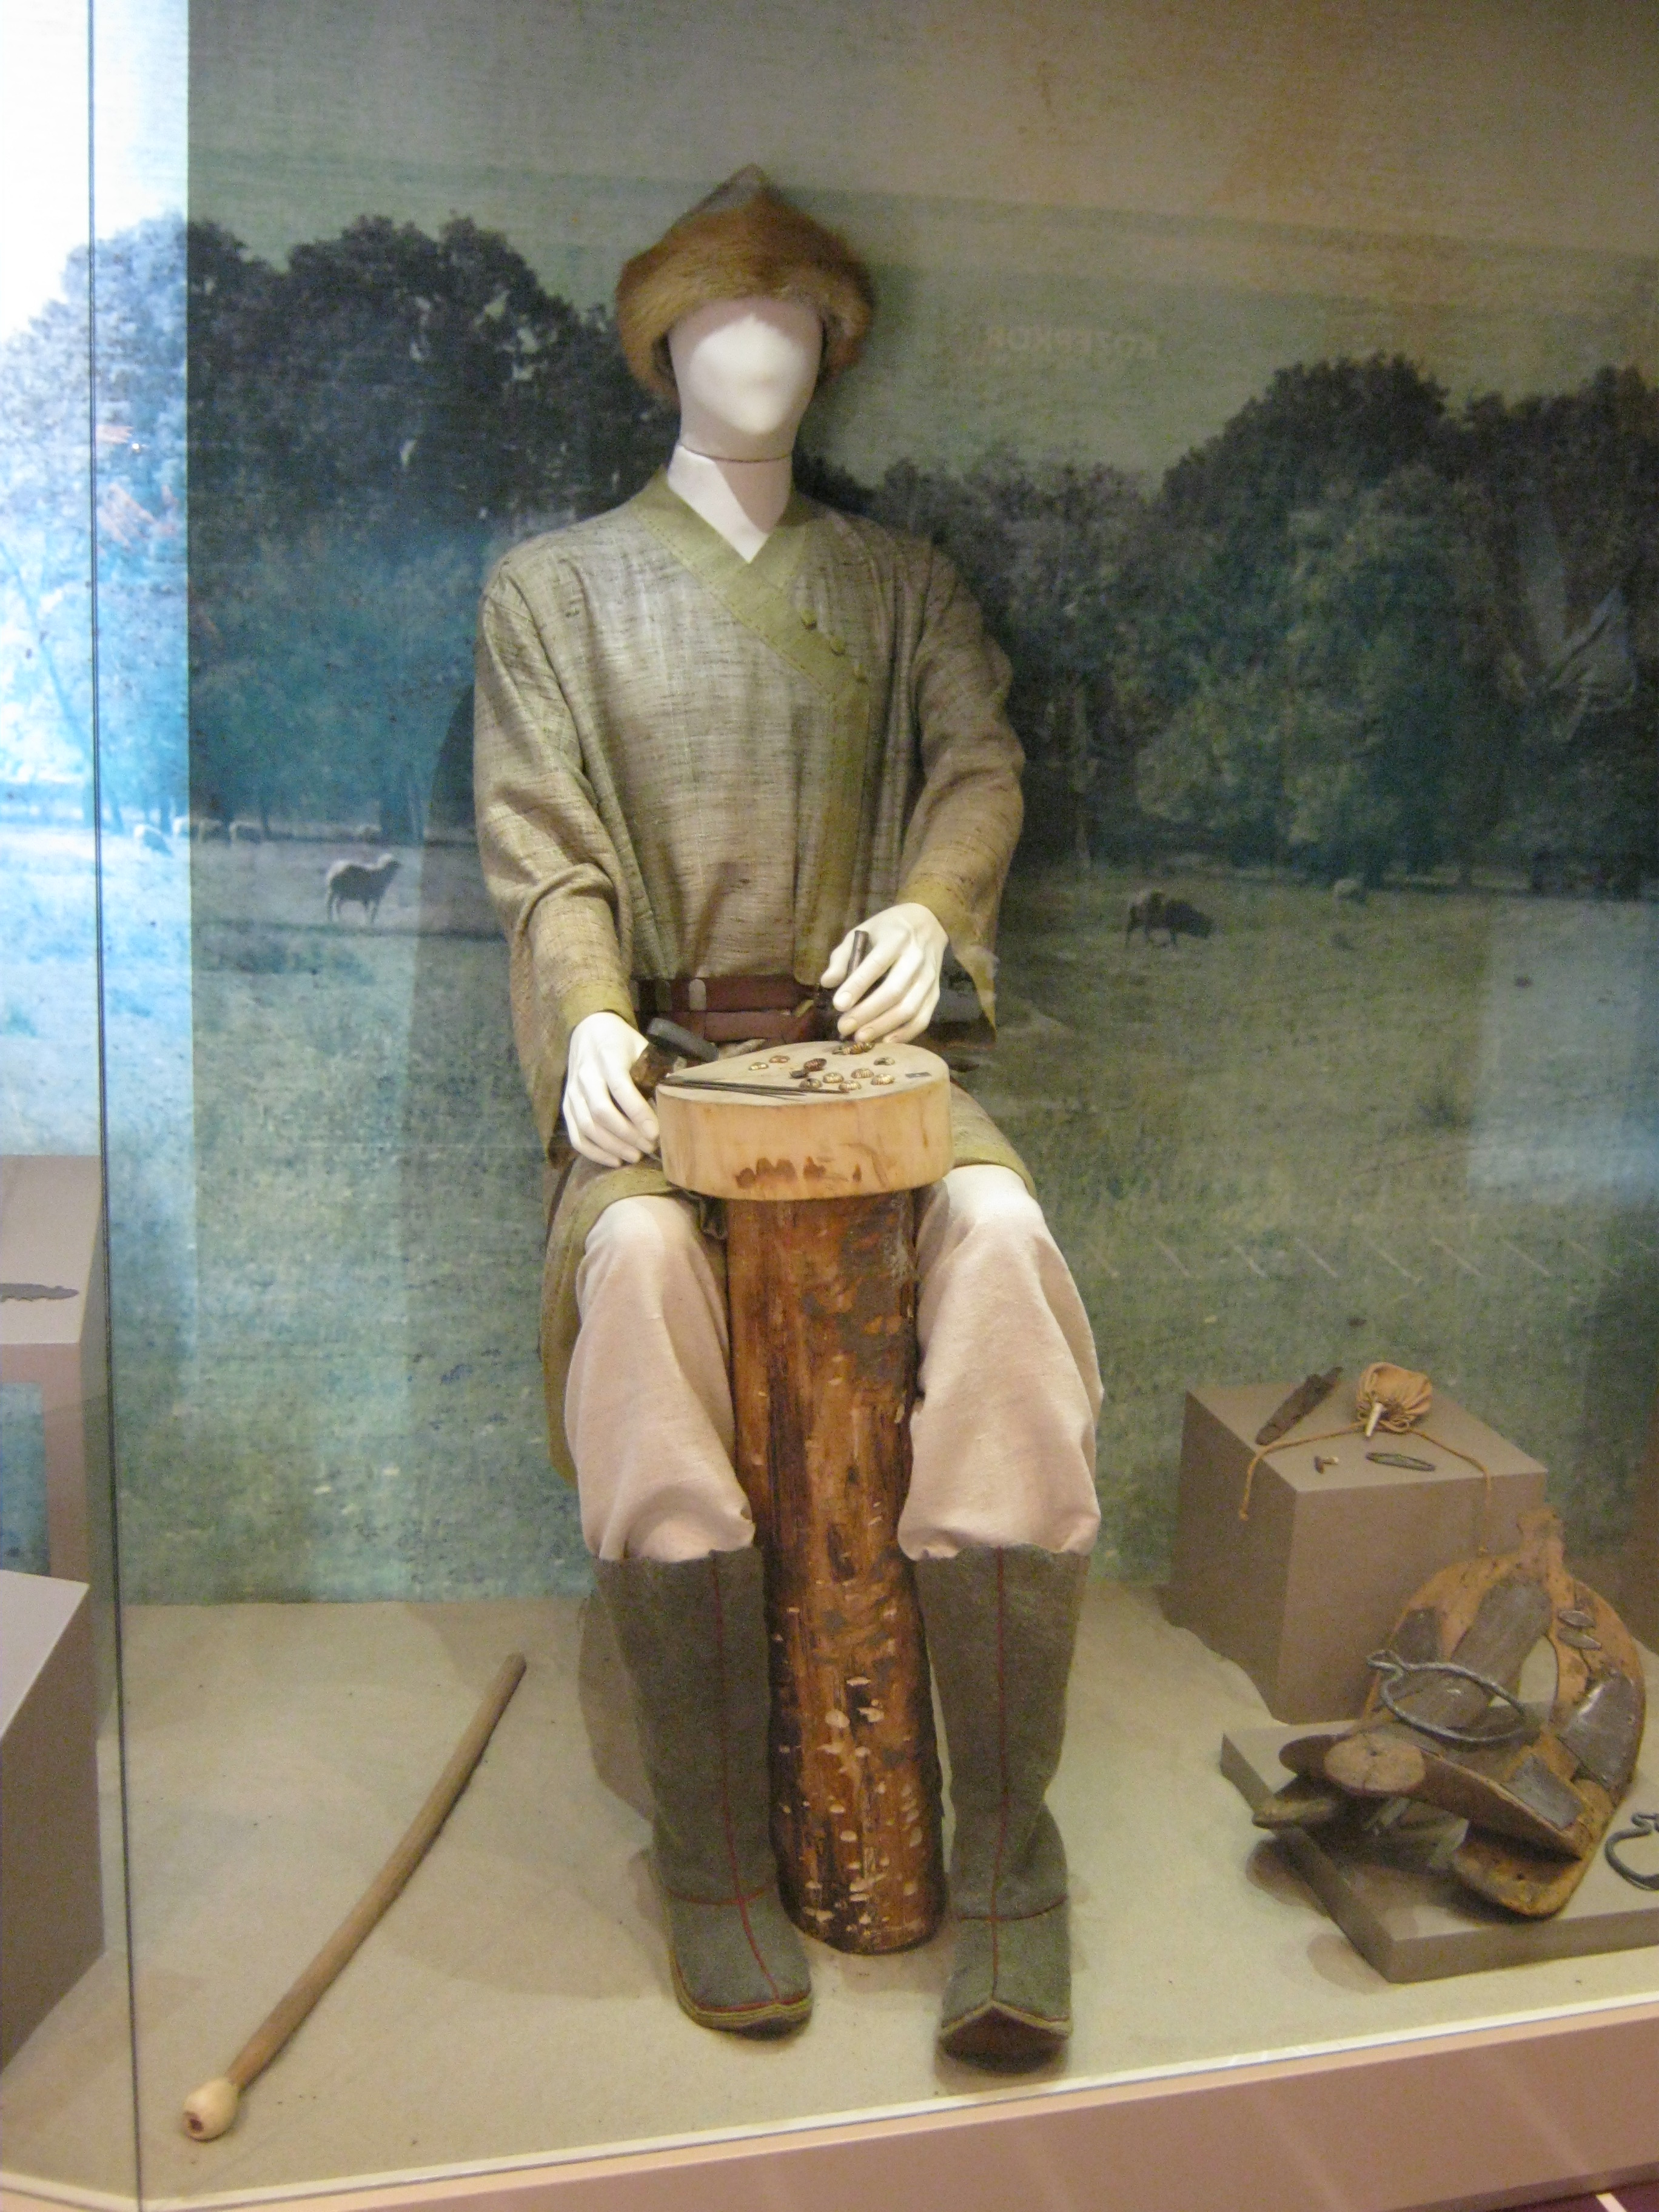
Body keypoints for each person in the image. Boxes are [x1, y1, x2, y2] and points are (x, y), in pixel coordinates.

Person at [475, 169, 1102, 2066]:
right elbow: (545, 845)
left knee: (1003, 1251)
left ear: (835, 355)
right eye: (722, 318)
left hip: (875, 1078)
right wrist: (592, 1019)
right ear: (661, 345)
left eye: (798, 323)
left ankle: (1009, 1851)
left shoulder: (902, 588)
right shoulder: (553, 592)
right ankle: (717, 1852)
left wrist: (927, 908)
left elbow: (978, 763)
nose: (760, 352)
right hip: (666, 1079)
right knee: (638, 1282)